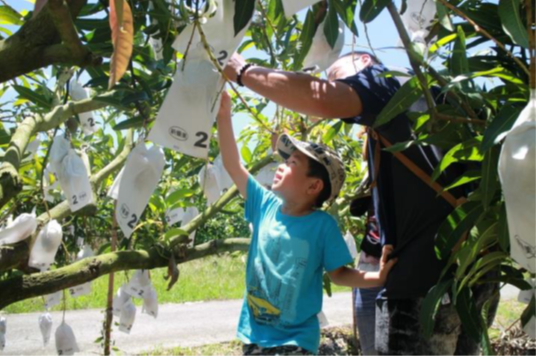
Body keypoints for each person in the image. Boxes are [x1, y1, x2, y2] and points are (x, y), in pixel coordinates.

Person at [223, 51, 499, 355]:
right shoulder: (447, 95)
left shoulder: (385, 84)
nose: (335, 83)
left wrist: (243, 72)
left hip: (423, 280)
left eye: (336, 76)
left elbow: (323, 99)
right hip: (479, 272)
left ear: (364, 60)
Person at [215, 90, 396, 355]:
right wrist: (223, 115)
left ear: (313, 185)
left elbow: (339, 274)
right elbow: (232, 164)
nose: (281, 166)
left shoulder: (323, 226)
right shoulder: (263, 204)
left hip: (296, 339)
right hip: (253, 334)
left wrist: (378, 277)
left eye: (291, 163)